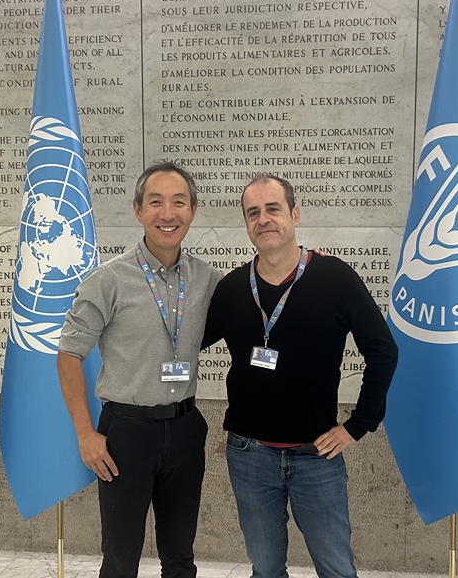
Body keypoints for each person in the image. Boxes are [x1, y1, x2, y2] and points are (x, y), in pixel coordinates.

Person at [202, 174, 398, 578]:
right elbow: (183, 342)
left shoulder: (335, 278)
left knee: (337, 570)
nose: (264, 219)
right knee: (266, 569)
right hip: (249, 455)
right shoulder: (233, 288)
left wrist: (358, 425)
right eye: (253, 212)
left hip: (316, 457)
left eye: (273, 208)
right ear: (246, 224)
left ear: (294, 214)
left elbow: (383, 350)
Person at [57, 161, 222, 578]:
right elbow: (68, 353)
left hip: (185, 429)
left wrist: (312, 266)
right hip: (126, 434)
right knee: (120, 559)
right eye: (156, 203)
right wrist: (85, 434)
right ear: (138, 210)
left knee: (180, 557)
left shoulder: (208, 279)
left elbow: (263, 293)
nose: (168, 214)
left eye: (178, 203)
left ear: (193, 210)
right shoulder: (109, 280)